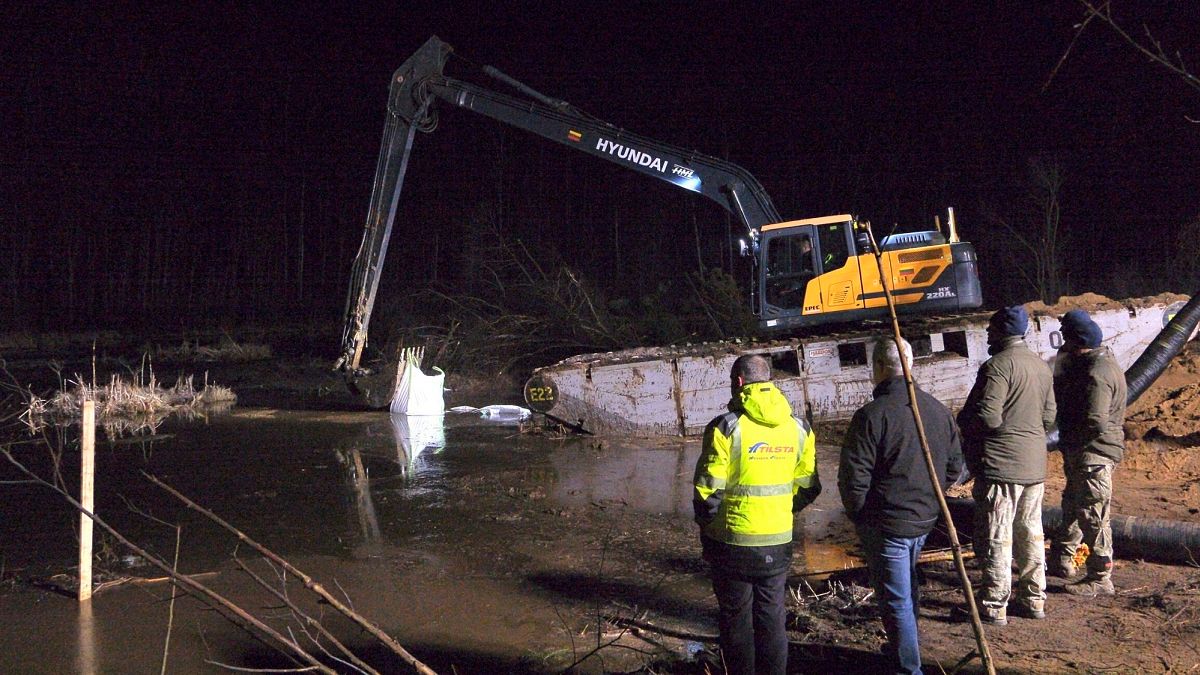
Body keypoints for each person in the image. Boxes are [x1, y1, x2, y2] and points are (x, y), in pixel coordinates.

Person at [839, 338, 964, 674]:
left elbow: (853, 477)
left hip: (888, 524)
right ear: (911, 366)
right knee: (906, 588)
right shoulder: (936, 409)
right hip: (924, 519)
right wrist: (927, 496)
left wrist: (861, 516)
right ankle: (902, 649)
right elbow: (955, 467)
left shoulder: (872, 416)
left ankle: (909, 668)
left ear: (878, 368)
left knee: (895, 599)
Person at [693, 354, 821, 675]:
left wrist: (707, 526)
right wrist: (781, 510)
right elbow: (809, 486)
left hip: (732, 544)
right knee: (772, 618)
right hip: (777, 542)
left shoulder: (725, 427)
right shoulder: (799, 428)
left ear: (738, 383)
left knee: (736, 621)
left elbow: (708, 491)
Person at [956, 305, 1056, 625]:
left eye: (990, 329)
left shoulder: (996, 367)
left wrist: (981, 429)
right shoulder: (1041, 367)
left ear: (1001, 332)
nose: (987, 334)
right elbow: (1050, 416)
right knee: (1031, 533)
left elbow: (988, 416)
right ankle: (1034, 599)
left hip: (1002, 466)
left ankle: (994, 604)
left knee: (998, 534)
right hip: (1034, 465)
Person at [1049, 309, 1126, 596]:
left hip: (1093, 452)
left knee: (1093, 513)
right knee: (1073, 505)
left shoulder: (1097, 372)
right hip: (1085, 451)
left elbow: (1095, 419)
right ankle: (1063, 559)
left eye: (1066, 339)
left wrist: (1070, 436)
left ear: (1077, 341)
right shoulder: (1093, 362)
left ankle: (1100, 576)